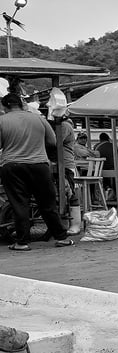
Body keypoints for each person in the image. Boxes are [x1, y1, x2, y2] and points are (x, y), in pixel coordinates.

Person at [0, 93, 74, 251]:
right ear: (22, 104)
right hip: (39, 165)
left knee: (19, 204)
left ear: (4, 106)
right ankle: (61, 238)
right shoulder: (38, 119)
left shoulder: (2, 120)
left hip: (12, 166)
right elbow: (53, 141)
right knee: (47, 204)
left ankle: (22, 242)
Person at [46, 89, 83, 235]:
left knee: (70, 193)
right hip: (57, 164)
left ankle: (75, 225)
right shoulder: (59, 125)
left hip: (65, 164)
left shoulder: (65, 126)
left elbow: (54, 142)